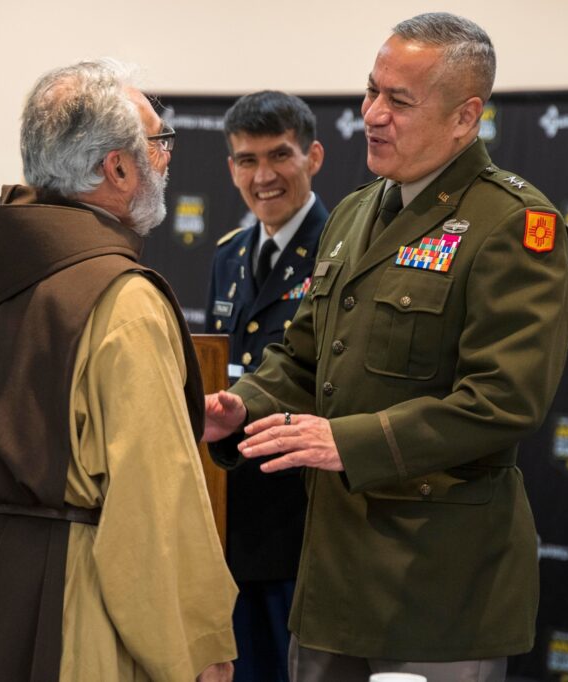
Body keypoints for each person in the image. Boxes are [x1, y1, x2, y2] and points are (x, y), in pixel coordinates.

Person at [205, 12, 568, 682]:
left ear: (465, 118)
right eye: (371, 90)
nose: (372, 114)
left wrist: (347, 442)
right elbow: (302, 357)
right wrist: (241, 406)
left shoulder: (514, 226)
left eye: (398, 101)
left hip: (437, 591)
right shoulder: (353, 213)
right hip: (329, 581)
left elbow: (503, 400)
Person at [0, 60, 236, 682]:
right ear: (117, 168)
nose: (166, 159)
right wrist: (200, 652)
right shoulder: (123, 300)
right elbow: (156, 511)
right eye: (158, 143)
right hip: (73, 612)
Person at [205, 91, 326, 682]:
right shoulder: (228, 255)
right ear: (230, 168)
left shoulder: (340, 252)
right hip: (234, 519)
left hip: (305, 524)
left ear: (314, 157)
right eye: (246, 160)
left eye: (279, 155)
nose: (263, 176)